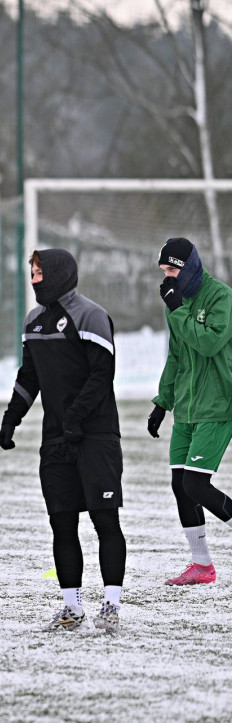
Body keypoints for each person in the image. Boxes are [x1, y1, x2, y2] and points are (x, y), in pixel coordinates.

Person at [0, 248, 126, 633]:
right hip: (55, 440)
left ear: (58, 273)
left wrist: (75, 417)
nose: (34, 279)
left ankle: (111, 605)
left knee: (105, 520)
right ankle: (72, 607)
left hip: (96, 435)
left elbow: (102, 375)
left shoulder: (91, 316)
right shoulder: (34, 322)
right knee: (62, 524)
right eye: (31, 272)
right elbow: (29, 377)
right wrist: (11, 418)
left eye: (39, 272)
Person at [148, 237, 232, 586]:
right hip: (185, 408)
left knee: (196, 484)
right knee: (179, 485)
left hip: (216, 405)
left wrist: (178, 308)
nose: (167, 277)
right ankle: (202, 566)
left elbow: (210, 342)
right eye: (164, 270)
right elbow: (177, 357)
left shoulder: (221, 296)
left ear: (190, 266)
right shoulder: (176, 304)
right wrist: (162, 403)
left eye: (172, 269)